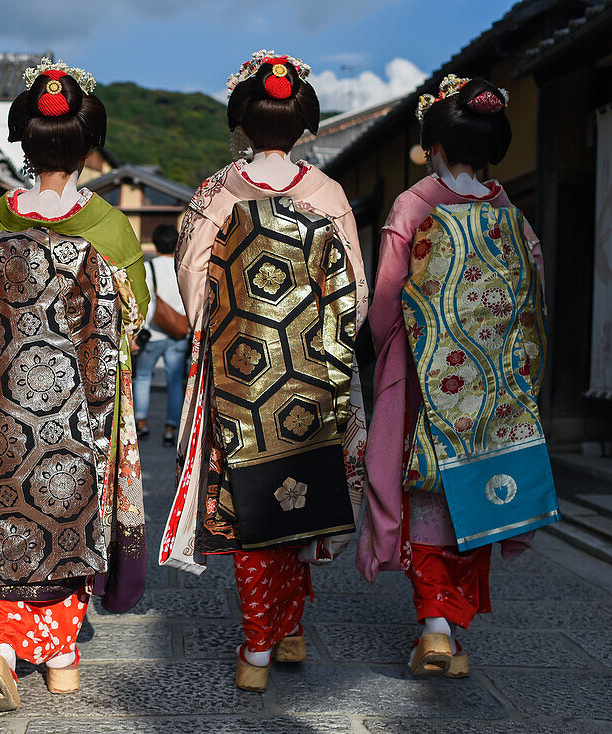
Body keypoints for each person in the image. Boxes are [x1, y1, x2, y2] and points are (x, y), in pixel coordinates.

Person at [0, 58, 150, 711]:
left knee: (5, 516)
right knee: (69, 513)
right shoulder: (109, 227)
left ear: (24, 143)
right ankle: (59, 657)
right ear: (89, 143)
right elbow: (131, 320)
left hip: (3, 408)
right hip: (80, 412)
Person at [160, 51, 370, 693]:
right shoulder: (327, 194)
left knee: (251, 511)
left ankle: (258, 645)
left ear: (241, 121)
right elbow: (353, 294)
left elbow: (193, 287)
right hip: (314, 381)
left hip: (238, 382)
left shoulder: (216, 191)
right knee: (303, 506)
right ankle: (289, 627)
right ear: (304, 120)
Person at [360, 75, 559, 677]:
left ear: (436, 146)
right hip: (495, 377)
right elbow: (535, 302)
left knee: (425, 485)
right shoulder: (510, 215)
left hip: (426, 369)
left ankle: (435, 625)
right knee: (478, 492)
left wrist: (383, 350)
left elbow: (387, 299)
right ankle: (451, 623)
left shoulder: (415, 205)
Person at [134, 223, 188, 445]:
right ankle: (170, 429)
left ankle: (142, 425)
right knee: (175, 382)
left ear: (155, 244)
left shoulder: (150, 267)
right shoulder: (183, 267)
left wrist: (139, 330)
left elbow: (144, 302)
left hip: (153, 333)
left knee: (143, 377)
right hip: (179, 332)